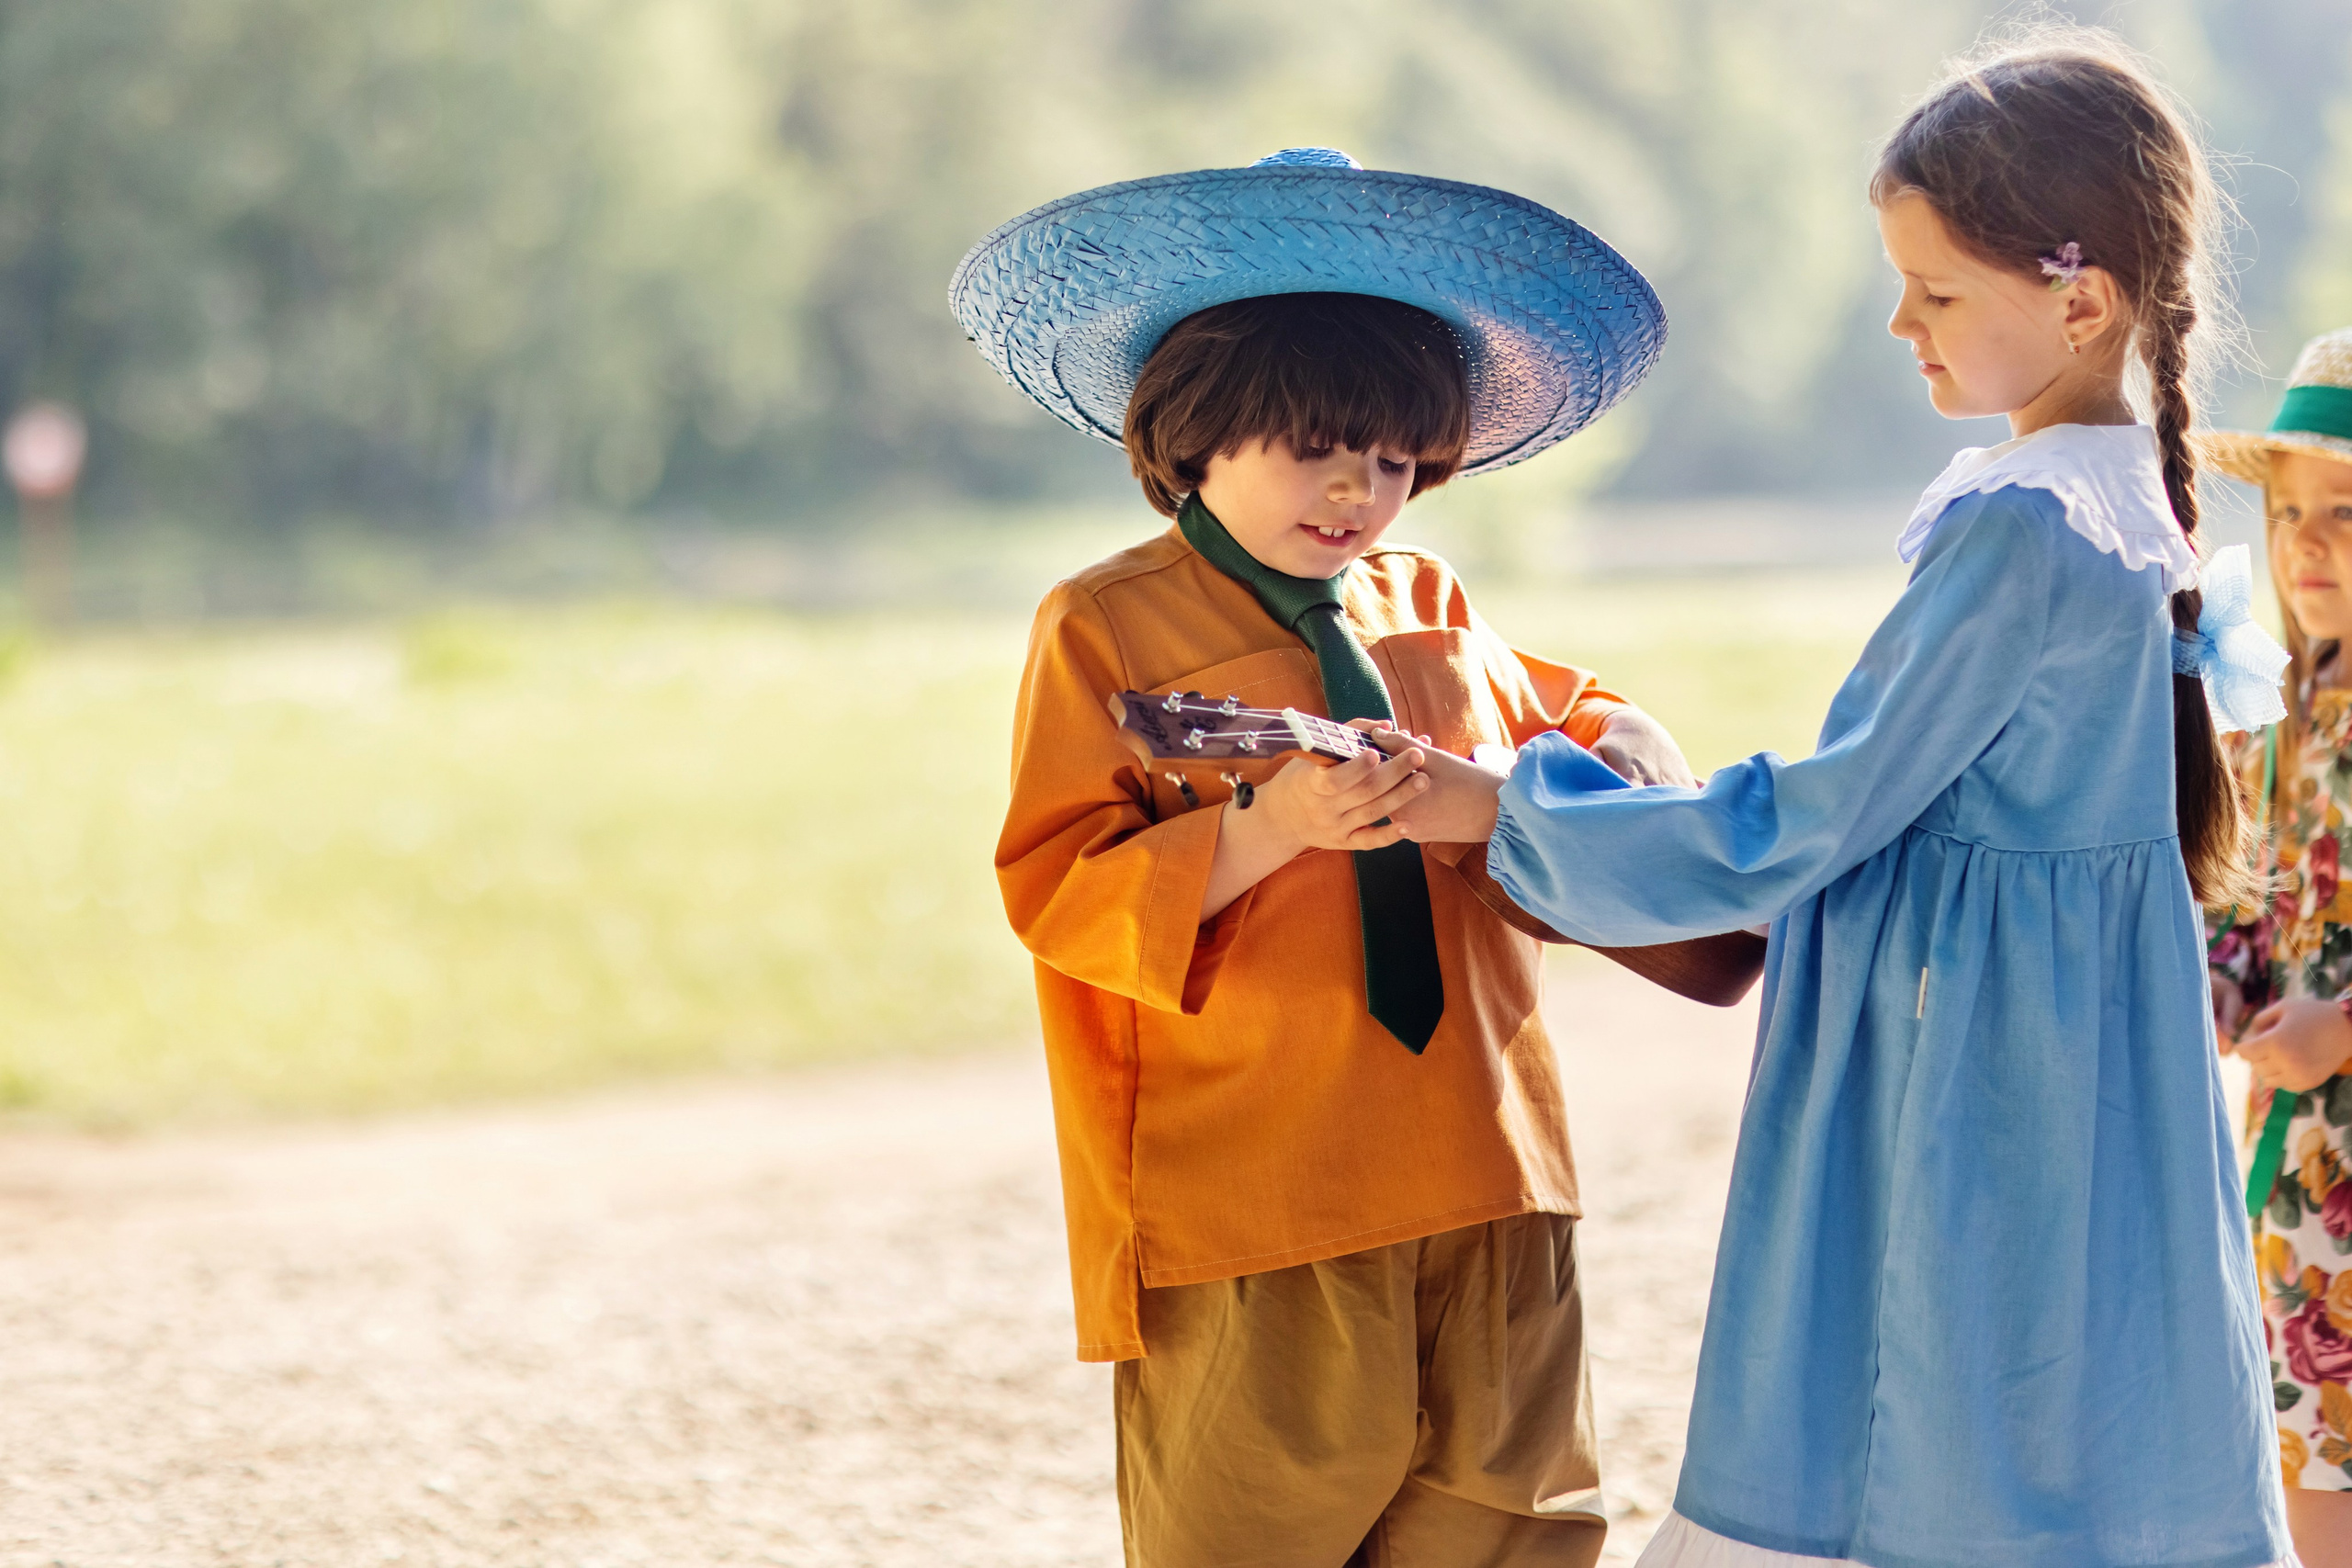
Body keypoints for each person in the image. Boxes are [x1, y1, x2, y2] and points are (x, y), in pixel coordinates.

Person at [1385, 38, 2291, 1568]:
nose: (1900, 322)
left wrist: (1512, 809)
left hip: (1966, 1065)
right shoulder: (2134, 506)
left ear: (2081, 301)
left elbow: (1817, 816)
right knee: (2072, 1404)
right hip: (2090, 1063)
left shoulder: (2022, 530)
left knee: (1914, 1409)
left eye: (1937, 291)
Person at [956, 147, 1689, 1565]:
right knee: (1255, 1524)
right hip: (1259, 1189)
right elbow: (1057, 888)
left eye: (1401, 458)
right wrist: (1264, 827)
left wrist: (1631, 737)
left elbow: (1563, 718)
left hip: (1489, 1161)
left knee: (1517, 1521)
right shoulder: (1105, 627)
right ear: (1196, 431)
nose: (1361, 487)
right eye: (1316, 447)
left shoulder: (1427, 598)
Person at [2202, 325, 2352, 1566]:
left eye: (2347, 510)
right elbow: (2249, 918)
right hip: (2308, 1174)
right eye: (2292, 509)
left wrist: (2339, 1030)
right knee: (2312, 1447)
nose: (2307, 542)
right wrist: (2214, 987)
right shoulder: (2275, 726)